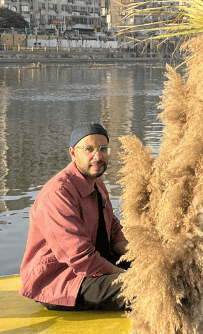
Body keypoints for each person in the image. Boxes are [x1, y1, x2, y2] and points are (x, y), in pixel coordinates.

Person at [20, 122, 129, 310]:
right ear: (73, 153)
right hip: (63, 280)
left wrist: (144, 257)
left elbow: (114, 232)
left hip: (95, 267)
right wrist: (125, 275)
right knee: (148, 289)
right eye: (89, 149)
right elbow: (81, 258)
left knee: (165, 272)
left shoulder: (98, 185)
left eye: (103, 149)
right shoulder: (58, 194)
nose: (98, 156)